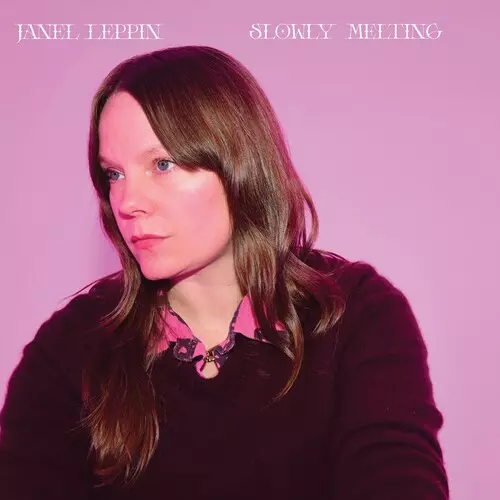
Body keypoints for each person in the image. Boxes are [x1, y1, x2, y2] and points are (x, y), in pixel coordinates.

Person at [0, 45, 449, 499]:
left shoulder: (356, 315)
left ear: (239, 164)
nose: (128, 202)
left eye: (162, 164)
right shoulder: (69, 350)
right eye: (113, 174)